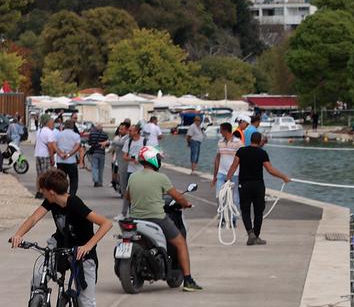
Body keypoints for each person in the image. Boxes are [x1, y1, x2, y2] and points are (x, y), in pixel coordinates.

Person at [9, 168, 113, 307]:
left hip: (82, 256)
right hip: (61, 250)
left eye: (42, 190)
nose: (41, 193)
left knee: (86, 302)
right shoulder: (51, 202)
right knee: (38, 274)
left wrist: (88, 246)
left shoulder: (75, 204)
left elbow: (106, 223)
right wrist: (18, 234)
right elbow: (34, 218)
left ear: (51, 191)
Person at [125, 148, 202, 291]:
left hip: (135, 218)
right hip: (156, 218)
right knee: (181, 243)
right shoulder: (161, 178)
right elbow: (177, 196)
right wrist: (186, 204)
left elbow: (128, 197)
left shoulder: (133, 177)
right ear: (153, 160)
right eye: (158, 158)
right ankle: (188, 280)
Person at [224, 138, 292, 245]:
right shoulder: (262, 153)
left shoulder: (241, 151)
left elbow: (234, 166)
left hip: (244, 185)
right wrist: (283, 177)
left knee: (245, 210)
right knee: (258, 211)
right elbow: (270, 170)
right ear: (260, 141)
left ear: (251, 140)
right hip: (258, 186)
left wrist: (228, 179)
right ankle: (256, 236)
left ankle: (250, 233)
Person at [212, 122, 242, 219]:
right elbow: (217, 158)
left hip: (235, 174)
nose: (220, 132)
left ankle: (233, 219)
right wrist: (214, 176)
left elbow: (243, 159)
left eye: (221, 130)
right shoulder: (220, 142)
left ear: (225, 131)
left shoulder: (238, 143)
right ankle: (222, 218)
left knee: (234, 198)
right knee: (219, 196)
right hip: (221, 173)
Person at [52, 117, 82, 196]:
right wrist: (68, 154)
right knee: (73, 180)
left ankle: (62, 194)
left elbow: (54, 145)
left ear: (64, 126)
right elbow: (77, 146)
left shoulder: (58, 134)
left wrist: (60, 153)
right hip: (71, 161)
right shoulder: (76, 136)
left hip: (60, 161)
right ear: (72, 126)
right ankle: (71, 196)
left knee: (61, 180)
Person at [82, 120, 109, 187]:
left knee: (95, 167)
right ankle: (100, 182)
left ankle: (96, 180)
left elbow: (89, 142)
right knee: (101, 168)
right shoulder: (105, 134)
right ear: (102, 128)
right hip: (102, 153)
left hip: (94, 152)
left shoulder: (92, 134)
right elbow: (107, 144)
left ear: (96, 128)